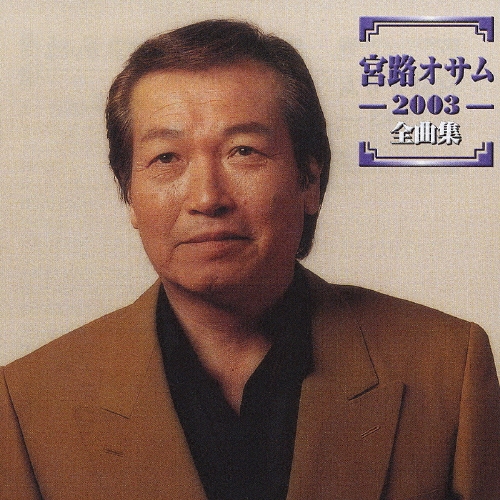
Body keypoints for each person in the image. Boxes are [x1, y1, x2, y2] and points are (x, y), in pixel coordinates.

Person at [1, 19, 499, 500]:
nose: (206, 198)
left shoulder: (447, 367)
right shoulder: (29, 402)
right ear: (129, 195)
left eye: (243, 151)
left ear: (310, 180)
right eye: (166, 158)